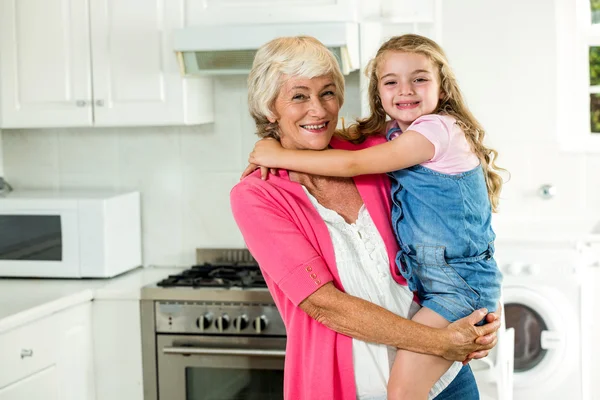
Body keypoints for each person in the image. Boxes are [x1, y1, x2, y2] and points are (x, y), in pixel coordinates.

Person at [231, 35, 500, 400]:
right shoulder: (258, 195)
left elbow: (459, 218)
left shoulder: (373, 149)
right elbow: (326, 306)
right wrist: (441, 340)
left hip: (445, 378)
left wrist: (476, 315)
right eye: (298, 96)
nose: (318, 110)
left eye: (327, 93)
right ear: (268, 108)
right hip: (350, 387)